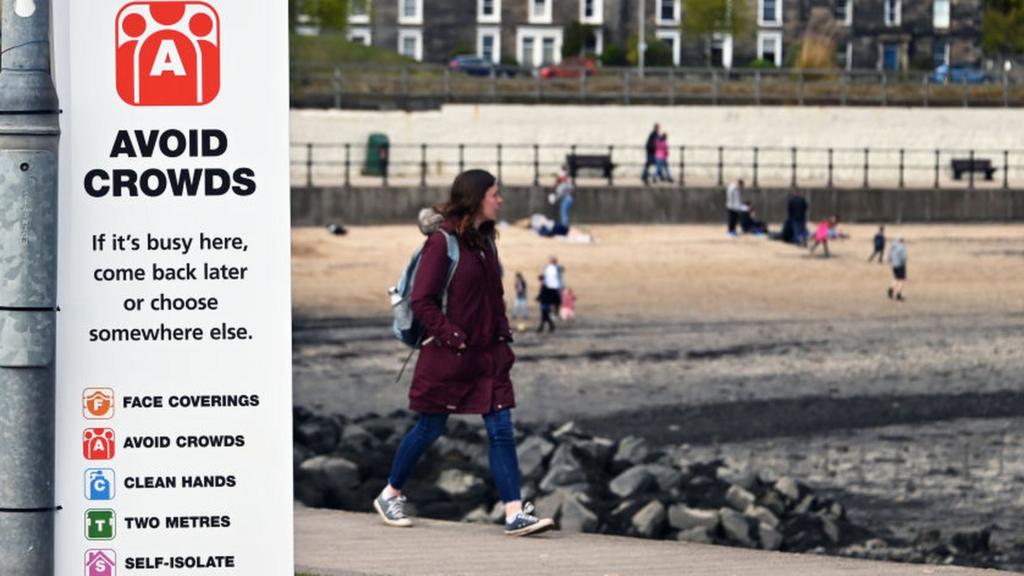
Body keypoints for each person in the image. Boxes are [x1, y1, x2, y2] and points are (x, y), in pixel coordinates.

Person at [373, 169, 554, 537]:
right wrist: (452, 336)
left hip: (489, 356)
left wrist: (502, 333)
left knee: (501, 429)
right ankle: (390, 493)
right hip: (448, 357)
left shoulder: (486, 241)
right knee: (430, 427)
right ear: (476, 199)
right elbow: (422, 300)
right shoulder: (442, 243)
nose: (500, 201)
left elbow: (493, 296)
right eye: (495, 194)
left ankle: (514, 513)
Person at [888, 237, 908, 301]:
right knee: (901, 280)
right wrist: (903, 263)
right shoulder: (902, 247)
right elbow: (904, 257)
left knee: (896, 278)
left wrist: (892, 261)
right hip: (900, 265)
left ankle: (891, 289)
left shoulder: (892, 247)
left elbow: (889, 256)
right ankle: (898, 294)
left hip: (894, 265)